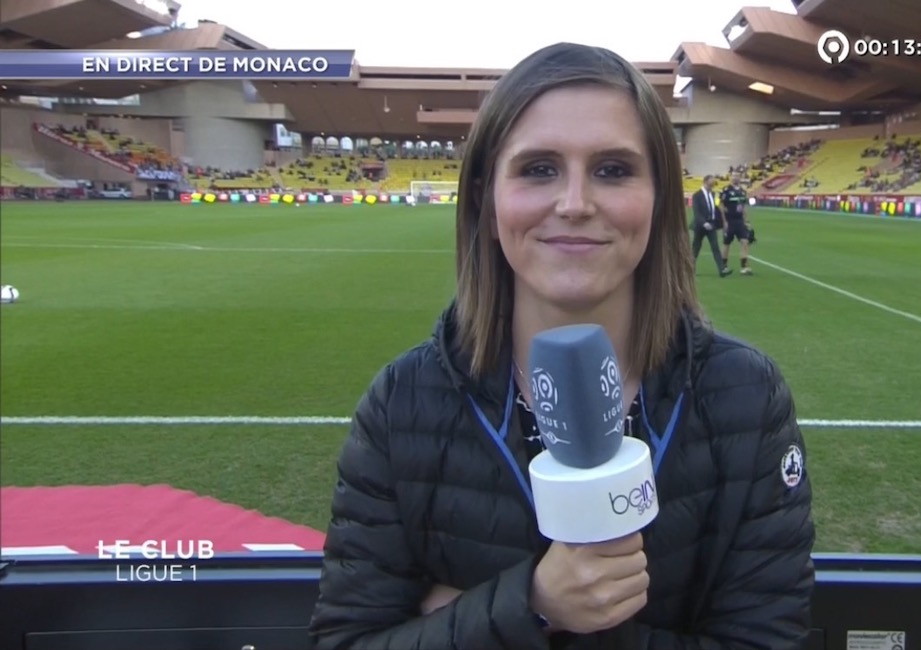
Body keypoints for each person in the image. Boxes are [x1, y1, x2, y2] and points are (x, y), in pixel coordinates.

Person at [308, 41, 815, 650]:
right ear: (484, 197)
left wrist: (483, 618)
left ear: (659, 199)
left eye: (613, 170)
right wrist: (535, 604)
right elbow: (345, 640)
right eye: (538, 169)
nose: (575, 204)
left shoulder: (747, 397)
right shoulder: (402, 403)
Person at [690, 174, 731, 277]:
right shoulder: (697, 195)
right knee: (696, 248)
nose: (713, 183)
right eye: (711, 181)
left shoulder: (713, 194)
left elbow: (716, 208)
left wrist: (721, 221)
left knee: (715, 247)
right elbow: (696, 212)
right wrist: (704, 223)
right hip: (700, 226)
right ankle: (689, 269)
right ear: (705, 181)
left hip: (711, 225)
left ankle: (722, 270)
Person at [719, 171, 753, 275]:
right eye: (733, 176)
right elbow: (721, 205)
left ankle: (744, 267)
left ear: (740, 178)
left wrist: (746, 220)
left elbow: (744, 206)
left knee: (745, 241)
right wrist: (724, 221)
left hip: (740, 221)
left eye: (737, 176)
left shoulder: (743, 191)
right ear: (731, 177)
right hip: (729, 220)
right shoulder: (726, 190)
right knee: (726, 243)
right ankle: (723, 265)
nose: (735, 178)